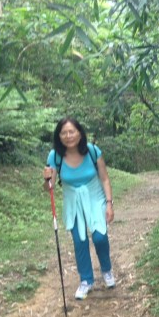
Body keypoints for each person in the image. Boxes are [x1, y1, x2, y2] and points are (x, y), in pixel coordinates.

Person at [42, 117, 116, 300]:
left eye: (72, 131)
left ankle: (106, 270)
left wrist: (109, 203)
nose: (68, 136)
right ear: (59, 136)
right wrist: (46, 179)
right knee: (79, 240)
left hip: (95, 197)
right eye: (64, 133)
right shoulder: (55, 156)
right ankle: (86, 280)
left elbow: (105, 178)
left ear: (80, 133)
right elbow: (49, 187)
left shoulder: (92, 151)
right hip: (72, 200)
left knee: (99, 237)